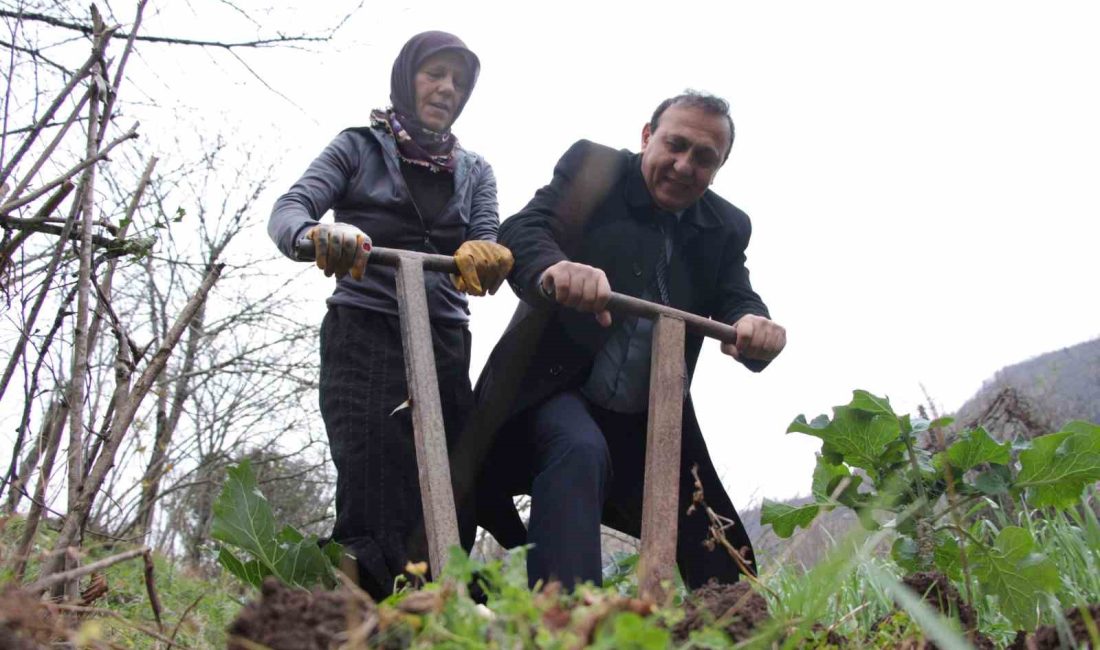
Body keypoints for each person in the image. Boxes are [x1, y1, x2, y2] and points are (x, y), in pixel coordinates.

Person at [471, 91, 786, 590]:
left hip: (649, 415)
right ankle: (571, 628)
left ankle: (742, 636)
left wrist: (755, 321)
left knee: (719, 541)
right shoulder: (594, 169)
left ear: (719, 167)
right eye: (675, 145)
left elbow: (735, 293)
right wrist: (557, 266)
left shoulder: (725, 227)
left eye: (704, 158)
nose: (684, 166)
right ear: (646, 137)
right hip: (552, 391)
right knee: (579, 449)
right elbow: (526, 228)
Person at [267, 31, 513, 600]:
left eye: (458, 81)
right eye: (435, 74)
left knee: (450, 487)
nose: (446, 88)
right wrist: (317, 235)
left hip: (444, 339)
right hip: (366, 331)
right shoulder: (356, 147)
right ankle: (363, 614)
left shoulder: (476, 172)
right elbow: (289, 211)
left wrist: (489, 253)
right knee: (375, 474)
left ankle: (441, 610)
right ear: (407, 78)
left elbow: (486, 241)